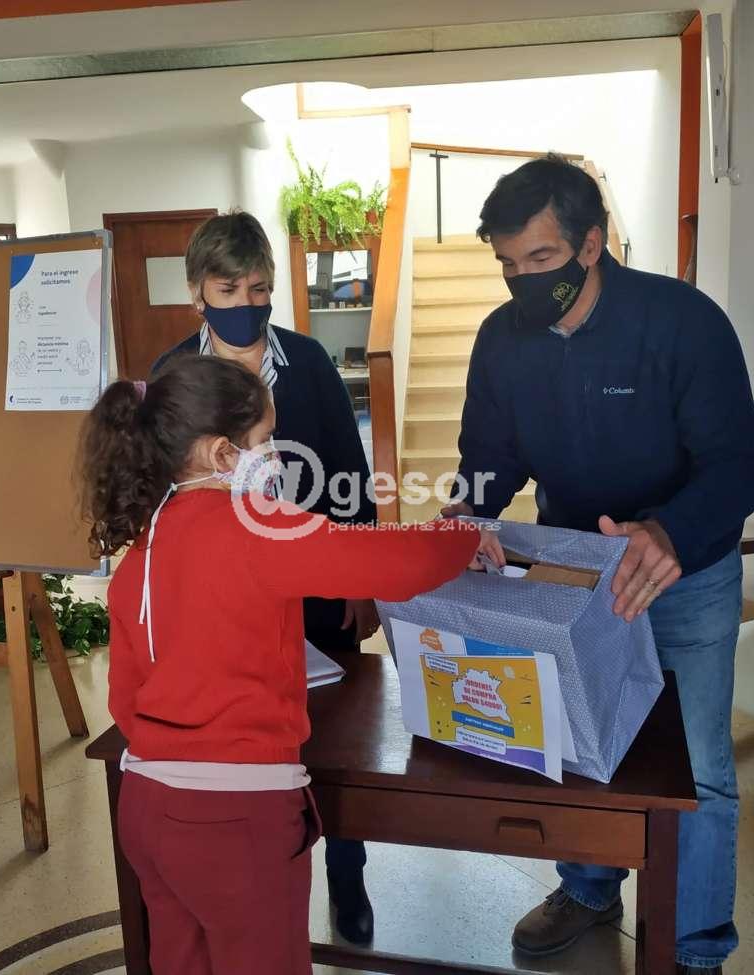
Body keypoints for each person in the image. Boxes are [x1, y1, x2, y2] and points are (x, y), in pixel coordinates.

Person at [444, 155, 754, 974]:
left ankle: (695, 947)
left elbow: (741, 466)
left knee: (698, 769)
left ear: (591, 245)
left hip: (683, 573)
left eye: (541, 258)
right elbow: (489, 458)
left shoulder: (683, 322)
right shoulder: (501, 340)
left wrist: (668, 532)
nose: (522, 280)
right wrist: (468, 515)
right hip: (573, 573)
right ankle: (589, 889)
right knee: (581, 743)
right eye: (508, 263)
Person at [82, 355, 494, 975]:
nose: (274, 457)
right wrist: (461, 538)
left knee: (180, 960)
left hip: (145, 804)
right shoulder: (256, 526)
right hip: (236, 820)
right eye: (266, 440)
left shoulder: (147, 539)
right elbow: (384, 562)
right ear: (223, 454)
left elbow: (126, 690)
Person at [153, 210, 380, 943]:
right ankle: (252, 875)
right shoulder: (173, 375)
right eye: (229, 290)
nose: (246, 303)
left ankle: (348, 875)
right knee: (247, 746)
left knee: (337, 743)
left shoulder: (308, 363)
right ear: (197, 292)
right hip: (221, 604)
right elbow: (161, 495)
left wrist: (360, 578)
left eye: (259, 288)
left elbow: (349, 477)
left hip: (315, 586)